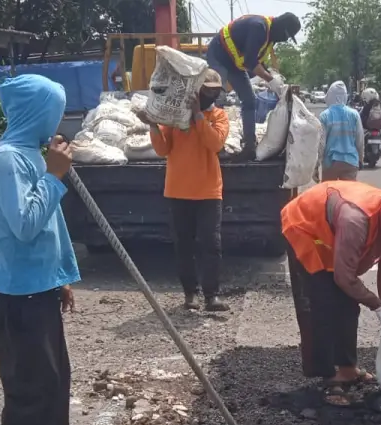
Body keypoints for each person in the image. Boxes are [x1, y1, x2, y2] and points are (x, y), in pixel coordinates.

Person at [0, 74, 101, 425]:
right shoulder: (7, 160)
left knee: (56, 380)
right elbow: (25, 225)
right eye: (53, 110)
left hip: (40, 290)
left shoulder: (33, 155)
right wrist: (53, 175)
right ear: (34, 112)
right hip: (15, 299)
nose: (57, 120)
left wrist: (60, 276)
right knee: (29, 389)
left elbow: (52, 227)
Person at [280, 181, 381, 403]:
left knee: (349, 304)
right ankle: (328, 376)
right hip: (306, 227)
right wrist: (377, 304)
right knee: (324, 301)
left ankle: (347, 367)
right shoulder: (356, 220)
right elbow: (344, 278)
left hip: (333, 229)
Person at [138, 70, 231, 312]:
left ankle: (212, 296)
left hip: (209, 192)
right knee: (184, 246)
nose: (211, 95)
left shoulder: (219, 116)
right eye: (206, 90)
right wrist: (153, 126)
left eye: (214, 91)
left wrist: (198, 115)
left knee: (211, 244)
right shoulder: (175, 117)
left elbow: (215, 143)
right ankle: (191, 294)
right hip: (178, 191)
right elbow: (162, 149)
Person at [206, 12, 302, 159]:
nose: (285, 40)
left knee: (249, 100)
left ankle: (249, 145)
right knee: (219, 97)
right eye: (287, 36)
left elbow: (257, 60)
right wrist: (270, 79)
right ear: (282, 28)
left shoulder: (269, 37)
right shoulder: (259, 28)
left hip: (234, 64)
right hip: (219, 54)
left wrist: (270, 75)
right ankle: (215, 146)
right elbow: (250, 62)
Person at [317, 81, 364, 181]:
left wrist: (316, 165)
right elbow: (360, 141)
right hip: (350, 161)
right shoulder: (354, 114)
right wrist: (360, 159)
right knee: (348, 195)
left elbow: (321, 144)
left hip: (330, 162)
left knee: (329, 193)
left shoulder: (324, 115)